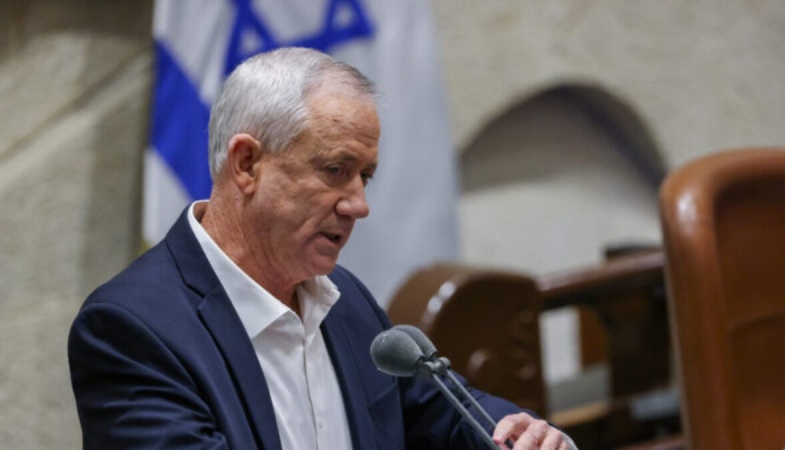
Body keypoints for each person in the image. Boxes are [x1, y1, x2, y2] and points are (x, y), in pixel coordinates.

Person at [68, 47, 576, 450]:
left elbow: (438, 410)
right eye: (335, 170)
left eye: (365, 176)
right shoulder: (132, 330)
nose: (359, 205)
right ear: (246, 164)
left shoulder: (343, 299)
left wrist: (520, 432)